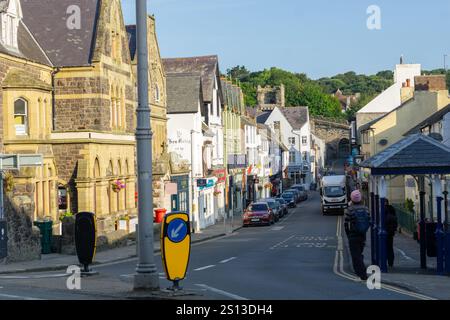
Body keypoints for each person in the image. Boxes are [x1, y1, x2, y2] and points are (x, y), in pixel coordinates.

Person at [345, 190, 371, 280]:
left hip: (353, 235)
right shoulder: (365, 208)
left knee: (356, 256)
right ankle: (361, 272)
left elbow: (346, 223)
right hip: (362, 235)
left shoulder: (350, 209)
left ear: (352, 199)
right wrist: (364, 231)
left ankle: (361, 273)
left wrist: (348, 235)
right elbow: (369, 220)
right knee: (359, 253)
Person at [385, 199, 398, 267]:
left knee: (384, 247)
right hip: (391, 233)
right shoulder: (392, 210)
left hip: (385, 231)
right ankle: (391, 262)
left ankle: (384, 261)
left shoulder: (384, 210)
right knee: (390, 247)